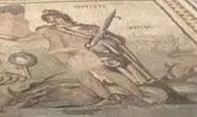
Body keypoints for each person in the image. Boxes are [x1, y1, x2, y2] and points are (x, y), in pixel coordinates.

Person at [20, 10, 157, 105]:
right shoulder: (50, 30)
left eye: (56, 18)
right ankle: (109, 98)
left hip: (86, 56)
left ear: (63, 16)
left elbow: (116, 40)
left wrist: (97, 43)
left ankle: (139, 95)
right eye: (50, 20)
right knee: (87, 80)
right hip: (68, 59)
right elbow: (28, 38)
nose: (54, 21)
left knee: (109, 74)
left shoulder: (88, 29)